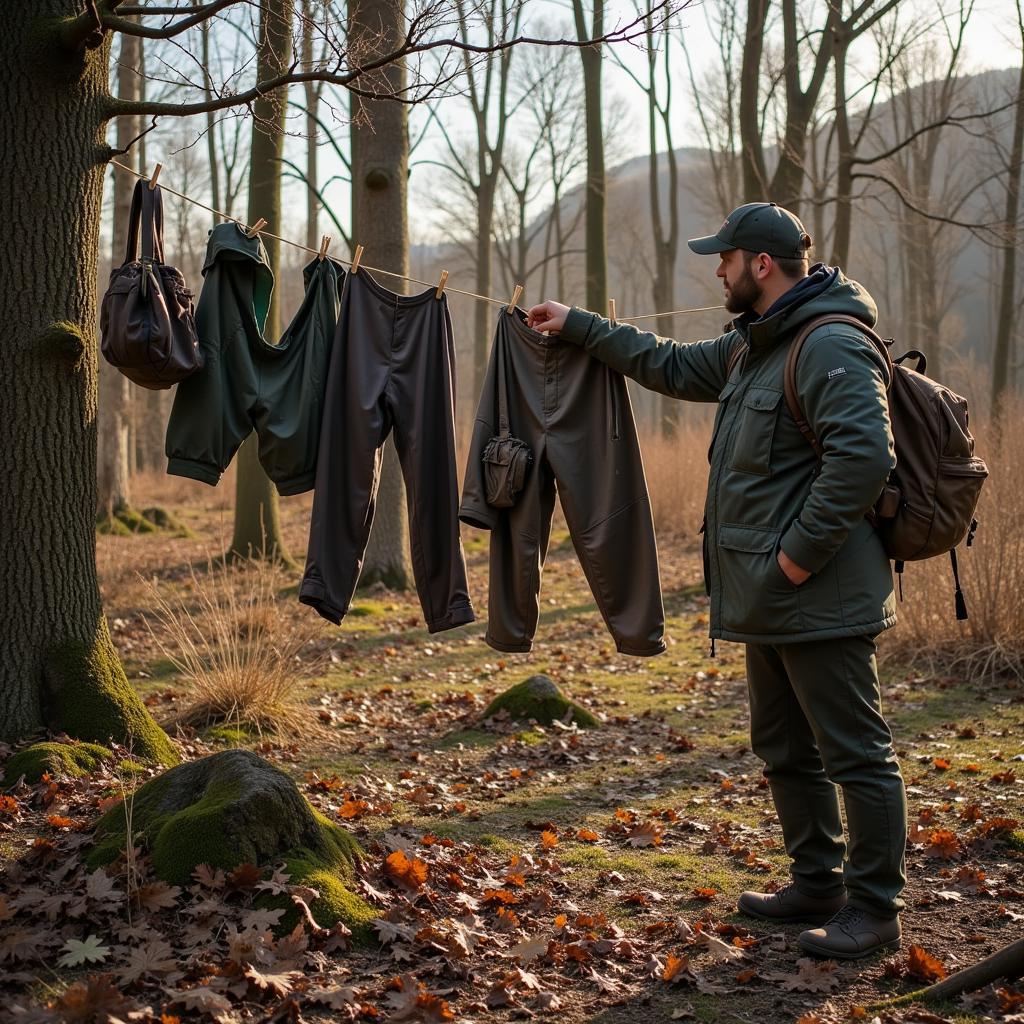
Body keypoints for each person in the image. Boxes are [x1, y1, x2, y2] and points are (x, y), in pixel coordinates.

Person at [526, 202, 908, 960]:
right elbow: (665, 362)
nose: (717, 270)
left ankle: (874, 910)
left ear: (760, 265)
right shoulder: (752, 348)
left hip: (819, 596)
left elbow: (864, 459)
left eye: (724, 258)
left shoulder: (830, 344)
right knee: (784, 747)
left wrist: (795, 560)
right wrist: (578, 324)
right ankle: (817, 881)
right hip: (768, 599)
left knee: (854, 753)